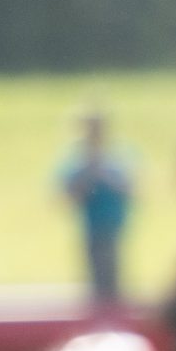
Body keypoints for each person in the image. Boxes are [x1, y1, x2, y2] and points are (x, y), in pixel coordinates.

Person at [57, 109, 135, 304]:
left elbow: (130, 188)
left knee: (114, 275)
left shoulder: (116, 157)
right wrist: (88, 176)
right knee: (95, 279)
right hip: (91, 226)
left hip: (114, 225)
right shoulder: (78, 160)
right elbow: (67, 195)